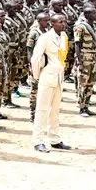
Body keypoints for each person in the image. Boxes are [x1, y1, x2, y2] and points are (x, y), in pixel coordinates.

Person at [30, 14, 71, 153]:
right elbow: (35, 58)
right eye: (60, 22)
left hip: (59, 76)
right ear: (52, 24)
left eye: (64, 21)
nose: (63, 24)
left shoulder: (64, 36)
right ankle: (38, 141)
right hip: (47, 76)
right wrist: (37, 77)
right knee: (42, 109)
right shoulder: (45, 38)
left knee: (55, 110)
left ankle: (54, 138)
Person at [74, 6, 96, 117]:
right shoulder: (81, 27)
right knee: (83, 83)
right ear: (88, 15)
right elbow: (77, 44)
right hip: (84, 57)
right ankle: (81, 107)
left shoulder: (93, 25)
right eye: (94, 13)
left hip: (93, 56)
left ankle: (86, 105)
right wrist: (79, 61)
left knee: (91, 82)